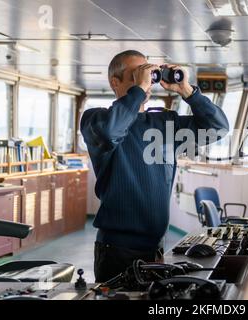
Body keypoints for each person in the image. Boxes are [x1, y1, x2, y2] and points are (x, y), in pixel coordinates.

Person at [80, 50, 229, 282]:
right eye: (138, 75)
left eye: (149, 74)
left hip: (157, 247)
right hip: (117, 250)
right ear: (114, 82)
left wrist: (187, 92)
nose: (147, 81)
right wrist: (138, 91)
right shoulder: (95, 119)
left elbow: (217, 127)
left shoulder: (164, 123)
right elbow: (111, 132)